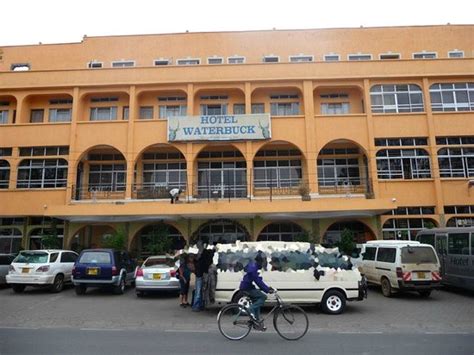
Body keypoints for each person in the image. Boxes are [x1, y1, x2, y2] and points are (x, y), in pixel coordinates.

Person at [239, 252, 274, 331]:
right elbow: (258, 281)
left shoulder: (254, 266)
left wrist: (267, 287)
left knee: (257, 300)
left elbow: (258, 280)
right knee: (263, 296)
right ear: (260, 261)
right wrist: (267, 289)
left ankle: (257, 322)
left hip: (248, 287)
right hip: (247, 288)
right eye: (263, 261)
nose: (264, 263)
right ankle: (250, 309)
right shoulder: (253, 268)